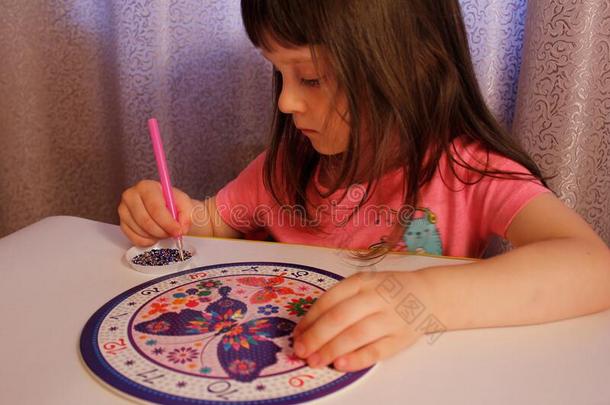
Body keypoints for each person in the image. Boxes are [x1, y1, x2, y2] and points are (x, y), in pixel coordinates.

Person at [118, 0, 610, 373]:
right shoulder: (285, 168)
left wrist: (426, 301)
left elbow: (594, 267)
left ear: (414, 66)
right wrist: (167, 212)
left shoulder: (466, 172)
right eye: (279, 72)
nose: (286, 101)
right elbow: (211, 226)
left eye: (310, 77)